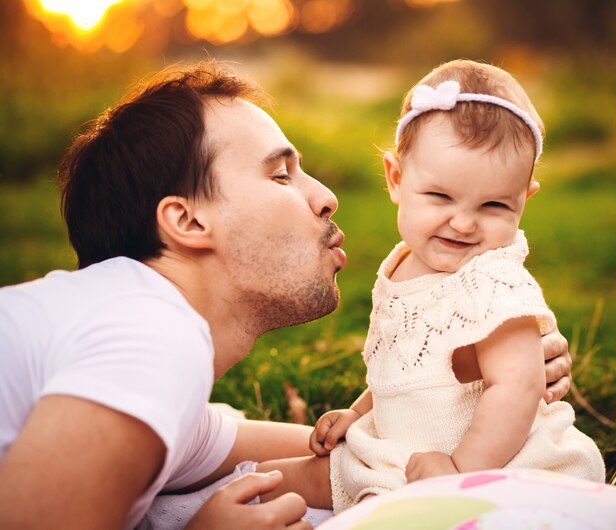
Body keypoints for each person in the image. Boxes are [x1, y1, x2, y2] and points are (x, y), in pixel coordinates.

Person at [0, 60, 572, 530]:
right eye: (281, 176)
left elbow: (318, 456)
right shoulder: (149, 339)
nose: (326, 196)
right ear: (189, 221)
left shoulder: (144, 358)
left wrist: (475, 388)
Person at [256, 59, 604, 513]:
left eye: (494, 204)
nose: (462, 222)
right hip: (410, 450)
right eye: (440, 196)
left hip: (499, 464)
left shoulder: (492, 281)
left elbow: (516, 387)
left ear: (525, 198)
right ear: (396, 178)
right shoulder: (402, 264)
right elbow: (407, 370)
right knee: (279, 482)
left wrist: (462, 470)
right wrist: (358, 413)